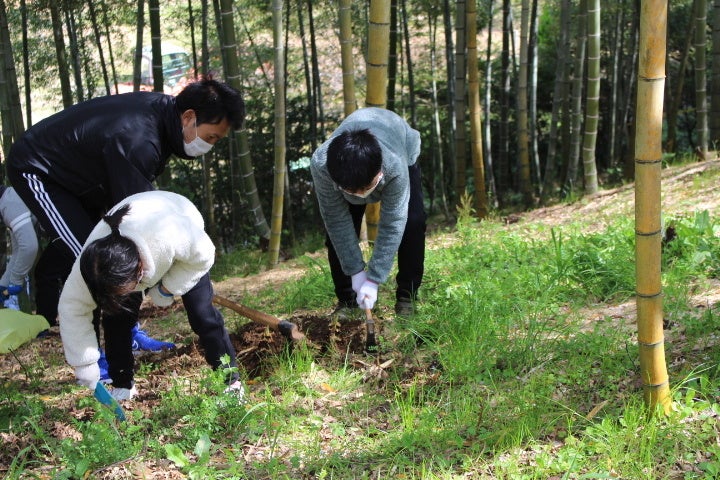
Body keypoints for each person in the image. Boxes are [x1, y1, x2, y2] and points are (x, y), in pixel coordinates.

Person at [7, 77, 244, 383]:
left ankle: (128, 334)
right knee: (94, 260)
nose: (209, 145)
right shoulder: (138, 140)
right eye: (210, 137)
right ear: (189, 117)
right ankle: (95, 360)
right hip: (41, 171)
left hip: (89, 175)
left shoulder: (165, 118)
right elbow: (137, 234)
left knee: (122, 259)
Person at [59, 190, 243, 400]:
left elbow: (205, 255)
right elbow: (72, 309)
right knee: (116, 319)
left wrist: (167, 289)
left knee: (202, 314)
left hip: (183, 237)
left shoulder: (170, 234)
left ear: (139, 268)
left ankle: (231, 381)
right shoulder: (91, 268)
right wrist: (85, 367)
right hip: (130, 259)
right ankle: (122, 385)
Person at [310, 107, 426, 317]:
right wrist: (355, 272)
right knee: (336, 234)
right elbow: (336, 221)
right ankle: (348, 301)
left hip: (402, 148)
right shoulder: (322, 166)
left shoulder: (394, 165)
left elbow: (393, 223)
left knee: (413, 224)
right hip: (349, 172)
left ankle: (407, 297)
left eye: (365, 188)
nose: (360, 195)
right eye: (353, 191)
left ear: (379, 173)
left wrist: (373, 279)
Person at [0, 186, 39, 311]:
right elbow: (18, 251)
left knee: (46, 274)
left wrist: (16, 280)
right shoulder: (7, 205)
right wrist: (3, 284)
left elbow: (29, 247)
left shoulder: (9, 204)